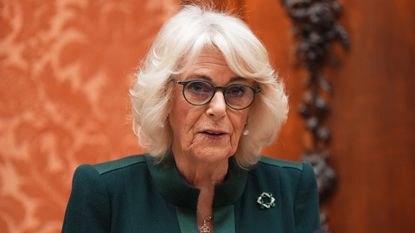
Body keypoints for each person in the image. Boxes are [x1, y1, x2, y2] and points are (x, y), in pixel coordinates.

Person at [61, 4, 320, 233]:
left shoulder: (290, 188)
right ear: (163, 97)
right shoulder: (105, 192)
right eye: (198, 87)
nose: (218, 108)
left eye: (237, 91)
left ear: (253, 108)